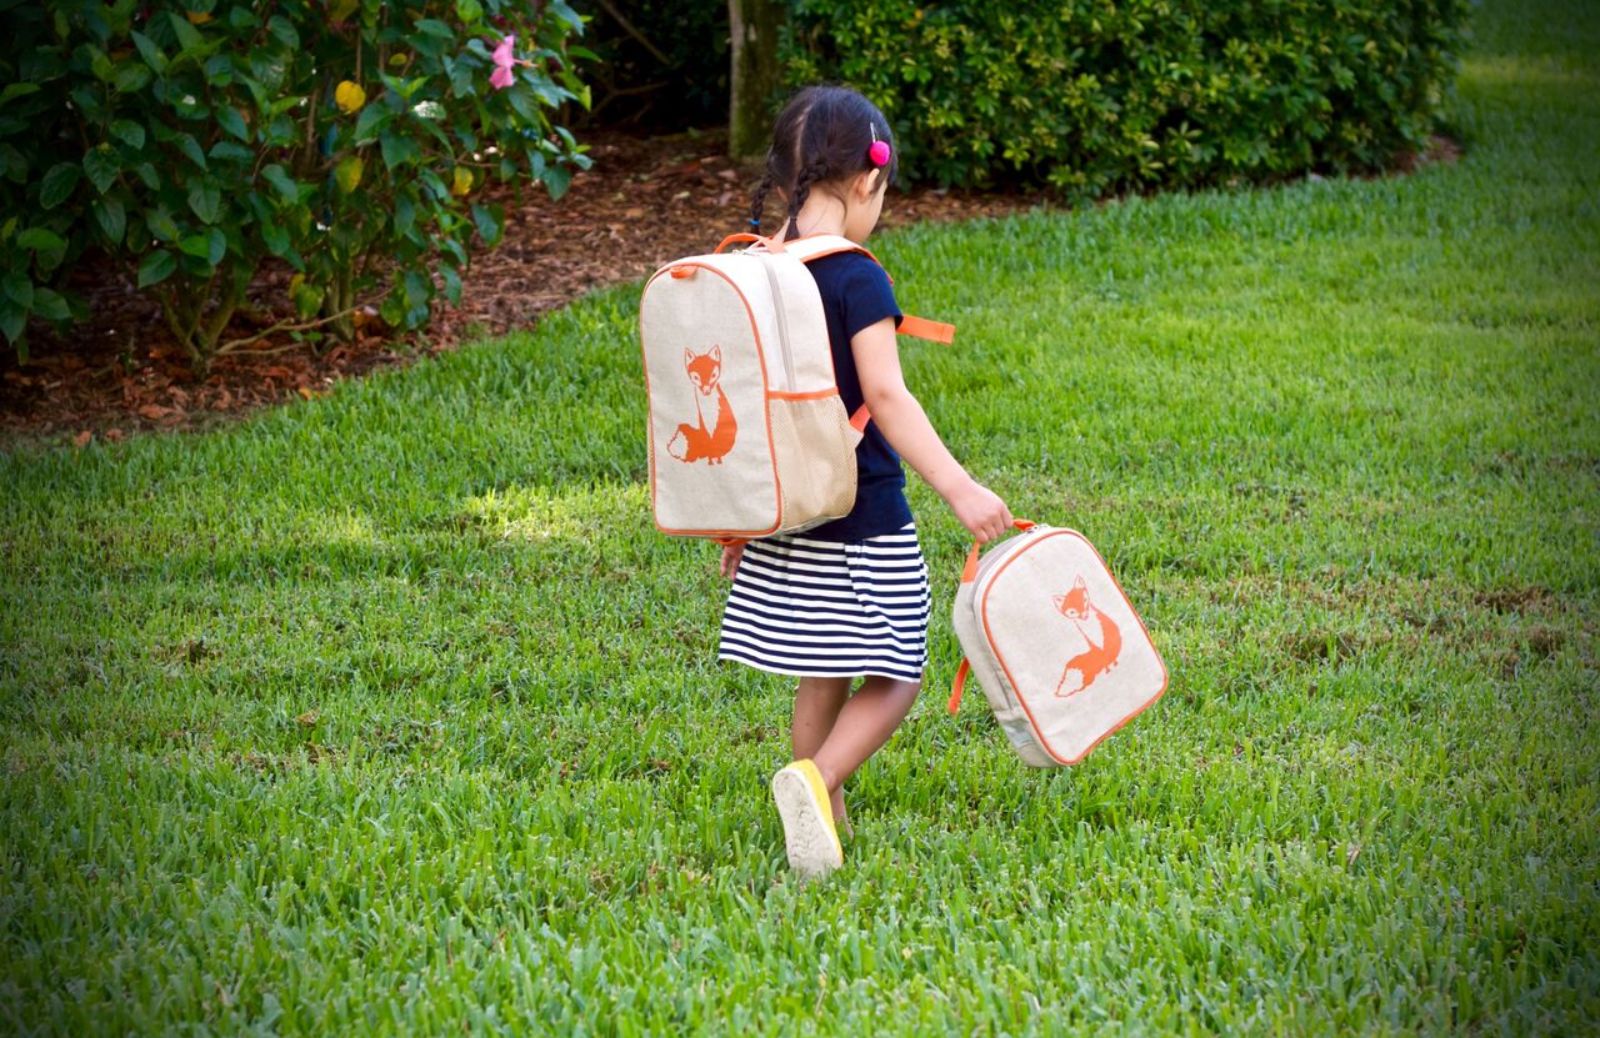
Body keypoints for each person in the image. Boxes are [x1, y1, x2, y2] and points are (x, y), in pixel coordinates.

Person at [715, 85, 1013, 878]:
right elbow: (886, 395)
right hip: (863, 515)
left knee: (825, 661)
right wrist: (960, 486)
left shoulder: (751, 266)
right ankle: (814, 778)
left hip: (784, 513)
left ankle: (821, 818)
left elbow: (747, 409)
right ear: (863, 183)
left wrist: (740, 519)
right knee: (896, 672)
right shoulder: (856, 277)